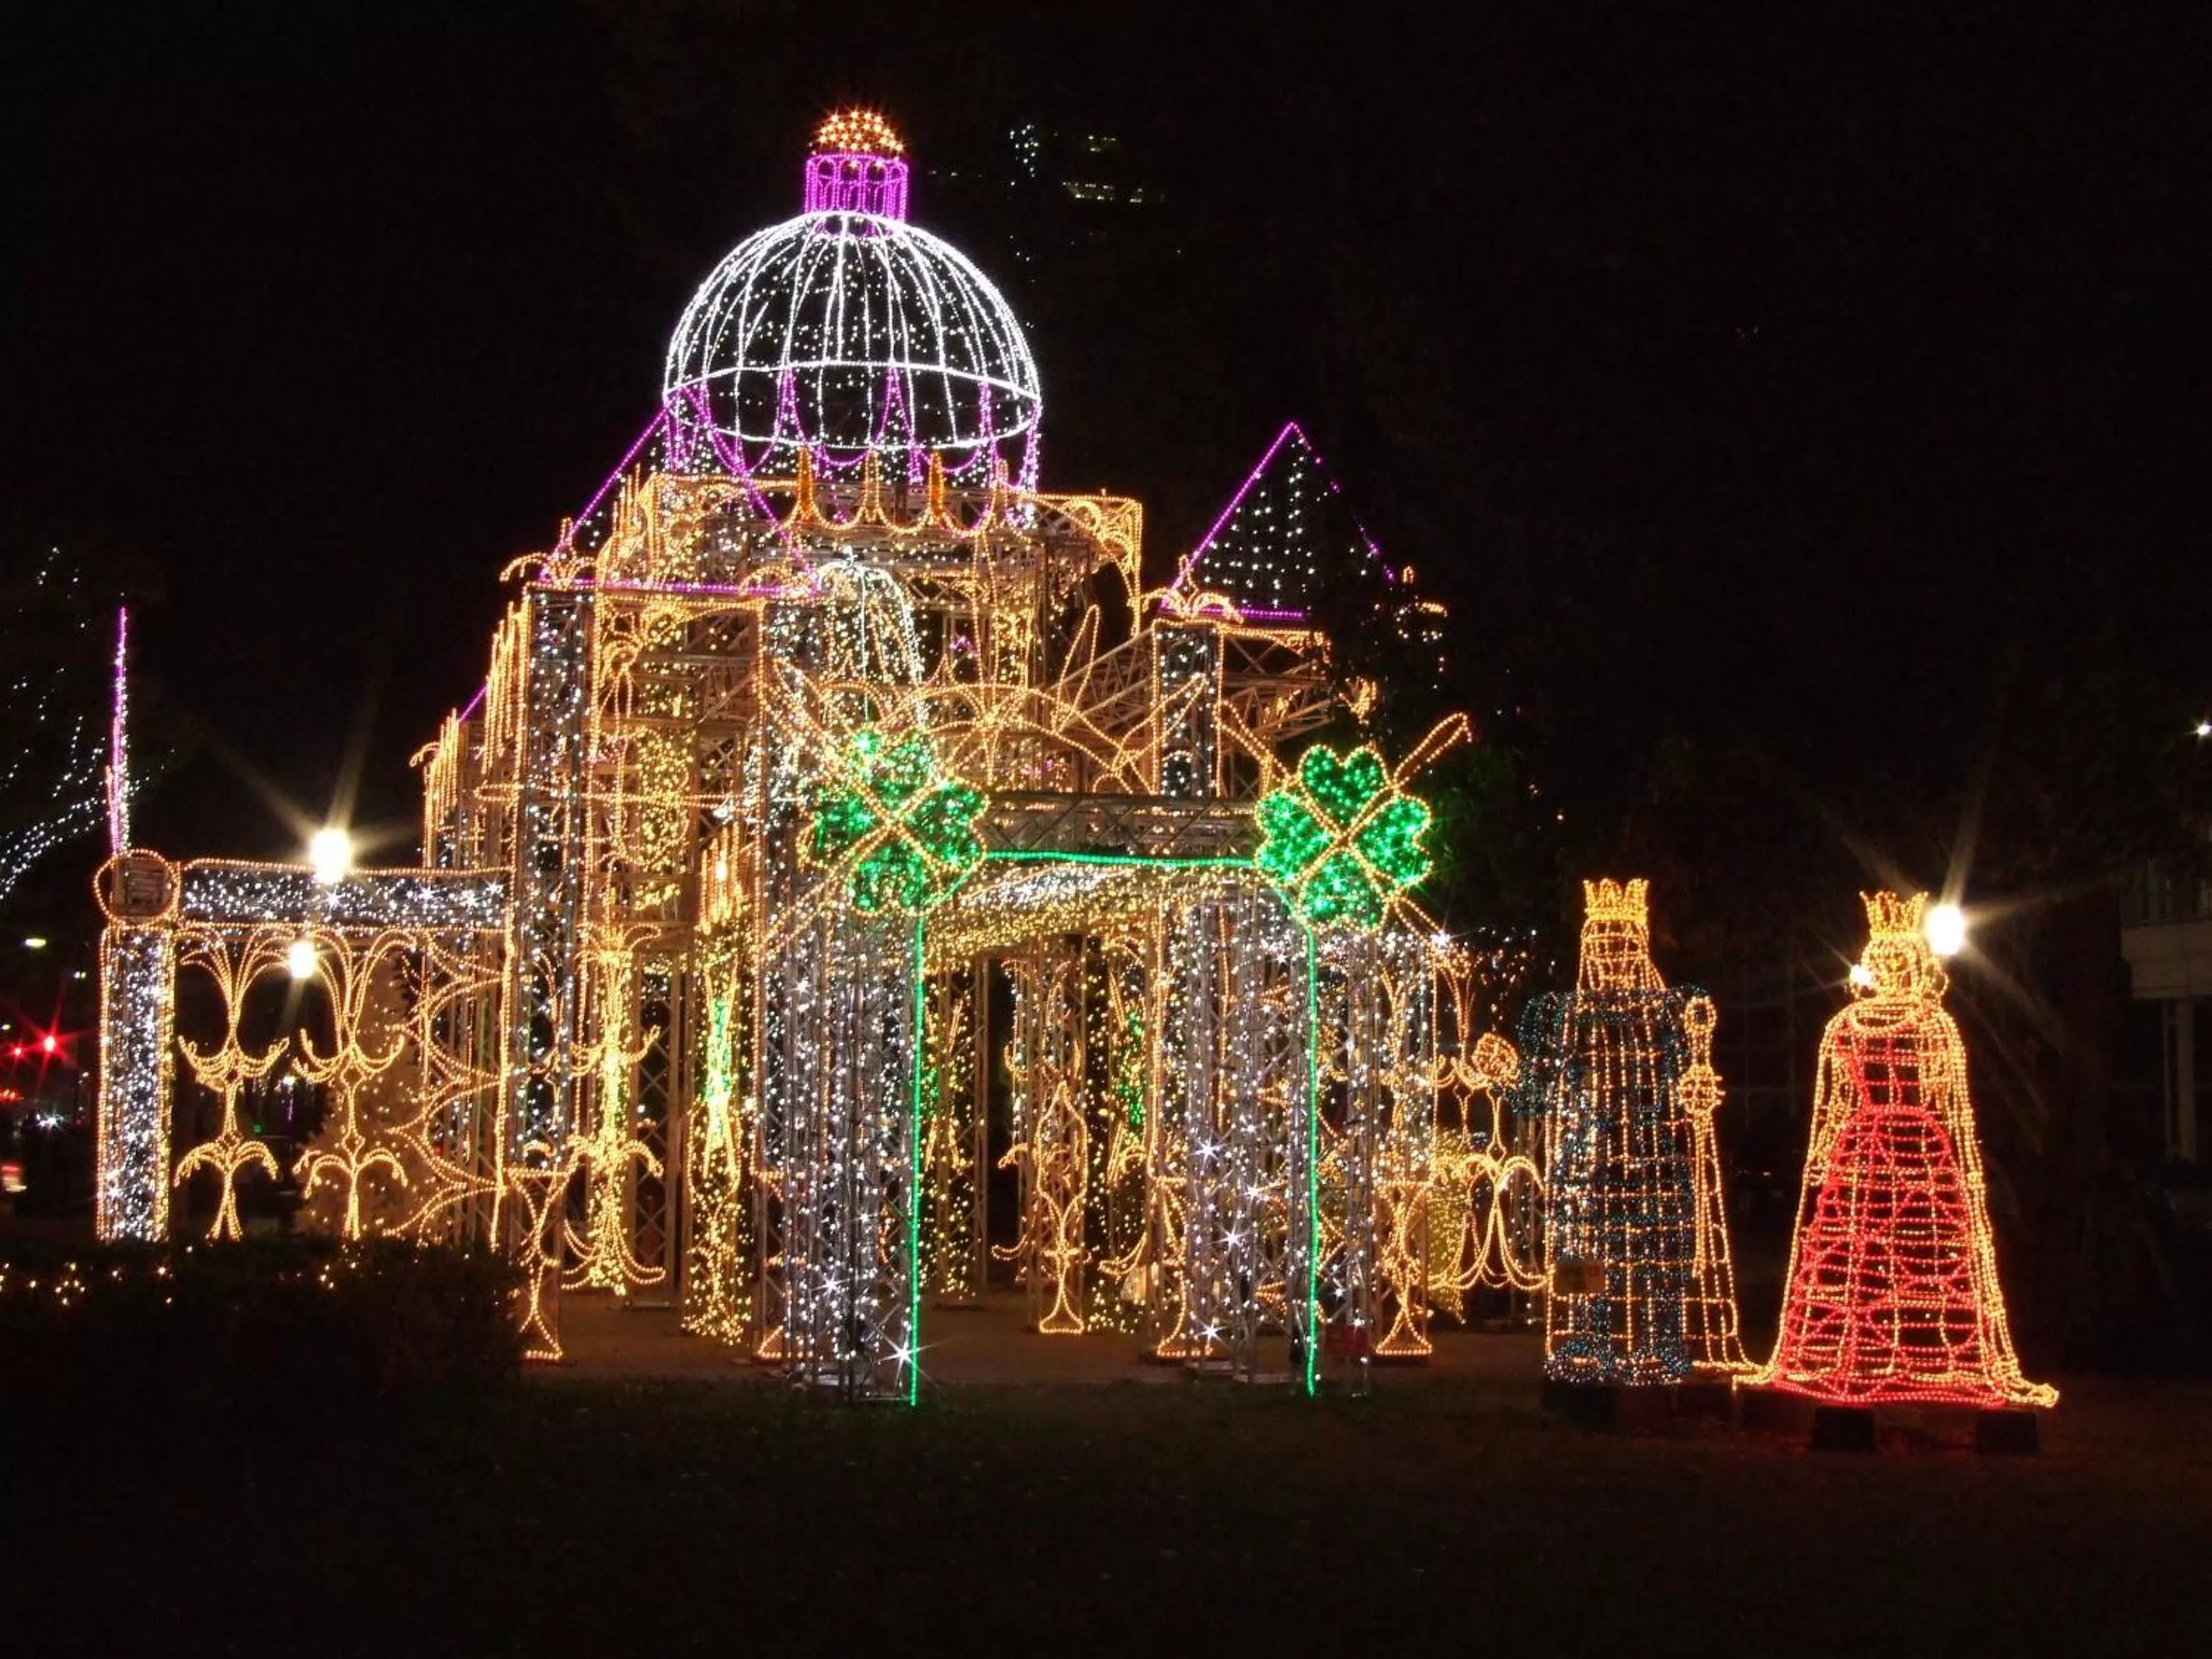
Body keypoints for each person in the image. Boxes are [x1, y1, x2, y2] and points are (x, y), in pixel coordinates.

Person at [1759, 892, 2057, 1407]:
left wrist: (1967, 1173)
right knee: (1859, 1258)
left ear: (1915, 962)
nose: (1892, 967)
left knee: (1922, 1262)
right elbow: (1833, 1103)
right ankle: (1849, 1357)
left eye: (1901, 958)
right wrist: (1820, 1159)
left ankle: (1930, 1358)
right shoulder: (1846, 1028)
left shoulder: (1934, 1026)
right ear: (1873, 961)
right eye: (1885, 957)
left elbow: (1952, 1103)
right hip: (1866, 1146)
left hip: (1921, 1150)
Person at [1509, 878, 1751, 1385]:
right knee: (1587, 1252)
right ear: (1589, 948)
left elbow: (1689, 1079)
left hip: (1649, 1150)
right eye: (1603, 945)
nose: (1613, 957)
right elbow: (1534, 1094)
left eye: (1623, 945)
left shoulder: (1669, 1011)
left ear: (1639, 947)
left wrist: (1696, 1091)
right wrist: (1508, 1072)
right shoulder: (1562, 1015)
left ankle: (1658, 1341)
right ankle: (1590, 1339)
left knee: (1656, 1252)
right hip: (1588, 1156)